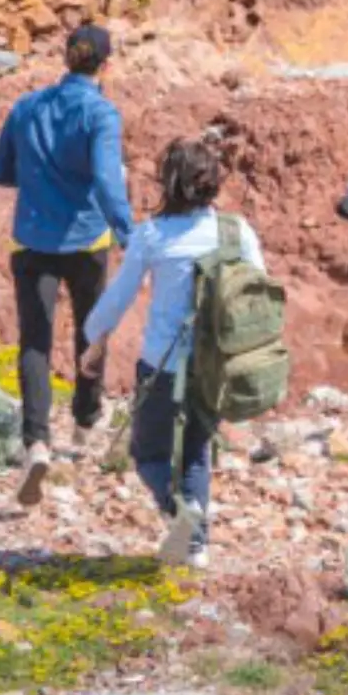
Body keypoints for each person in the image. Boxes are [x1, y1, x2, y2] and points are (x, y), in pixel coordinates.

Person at [83, 137, 264, 570]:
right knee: (197, 451)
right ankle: (196, 546)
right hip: (215, 364)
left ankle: (180, 513)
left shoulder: (152, 236)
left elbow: (119, 297)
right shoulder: (236, 231)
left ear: (168, 183)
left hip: (162, 362)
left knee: (148, 454)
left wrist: (95, 340)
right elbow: (260, 289)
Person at [0, 24, 133, 503]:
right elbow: (109, 182)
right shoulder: (101, 113)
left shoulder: (27, 106)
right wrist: (130, 234)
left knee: (35, 341)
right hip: (87, 239)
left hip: (31, 238)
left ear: (67, 59)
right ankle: (86, 422)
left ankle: (36, 443)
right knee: (92, 332)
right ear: (105, 66)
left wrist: (37, 179)